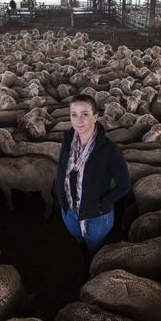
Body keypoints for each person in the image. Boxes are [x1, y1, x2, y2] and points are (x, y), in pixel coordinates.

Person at [56, 94, 130, 262]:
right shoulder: (67, 141)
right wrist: (61, 197)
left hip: (96, 216)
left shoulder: (110, 151)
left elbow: (124, 185)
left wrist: (99, 205)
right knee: (80, 242)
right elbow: (62, 170)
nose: (79, 120)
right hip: (70, 211)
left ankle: (91, 268)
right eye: (74, 114)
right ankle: (84, 256)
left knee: (94, 248)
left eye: (85, 114)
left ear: (95, 117)